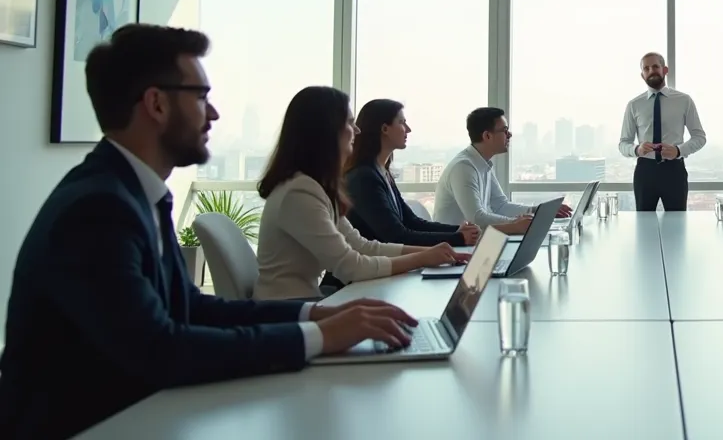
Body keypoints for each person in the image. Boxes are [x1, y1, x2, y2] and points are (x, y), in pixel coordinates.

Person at [0, 25, 416, 439]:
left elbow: (191, 308)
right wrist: (318, 336)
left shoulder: (133, 191)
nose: (213, 113)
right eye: (201, 97)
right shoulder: (98, 208)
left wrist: (315, 314)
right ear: (156, 104)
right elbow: (161, 350)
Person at [254, 87, 468, 301]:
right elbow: (350, 266)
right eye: (349, 122)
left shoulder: (315, 186)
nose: (356, 130)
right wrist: (422, 258)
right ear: (326, 131)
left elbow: (363, 246)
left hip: (307, 300)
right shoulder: (299, 192)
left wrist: (432, 253)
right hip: (287, 309)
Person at [344, 99, 479, 247]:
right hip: (372, 268)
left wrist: (458, 230)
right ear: (384, 129)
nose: (408, 129)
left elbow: (411, 222)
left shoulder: (382, 172)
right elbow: (396, 236)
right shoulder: (364, 178)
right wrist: (458, 238)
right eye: (402, 122)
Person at [432, 107, 571, 232]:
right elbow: (476, 218)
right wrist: (516, 224)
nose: (509, 135)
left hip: (474, 244)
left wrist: (539, 212)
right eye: (504, 130)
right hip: (454, 248)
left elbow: (501, 206)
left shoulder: (481, 163)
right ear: (487, 136)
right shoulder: (463, 167)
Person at [618, 52, 707, 211]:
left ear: (665, 70)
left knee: (677, 225)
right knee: (643, 226)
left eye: (655, 66)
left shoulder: (684, 100)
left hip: (674, 171)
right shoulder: (634, 105)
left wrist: (678, 151)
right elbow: (623, 143)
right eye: (646, 68)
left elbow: (700, 137)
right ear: (642, 75)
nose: (651, 71)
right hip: (645, 171)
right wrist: (637, 149)